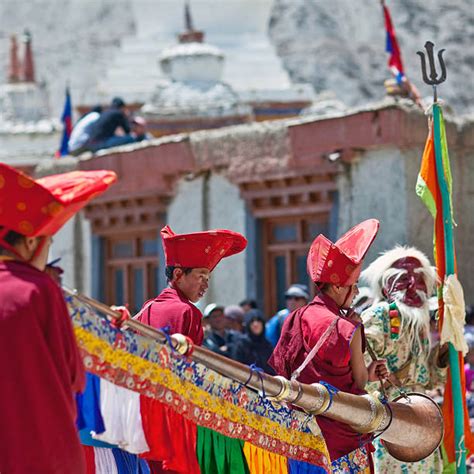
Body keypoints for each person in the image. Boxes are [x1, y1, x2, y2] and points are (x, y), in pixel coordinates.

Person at [0, 162, 117, 473]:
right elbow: (74, 376)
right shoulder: (38, 290)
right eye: (48, 242)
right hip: (37, 449)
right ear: (29, 242)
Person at [269, 219, 388, 471]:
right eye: (352, 286)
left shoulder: (295, 317)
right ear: (336, 286)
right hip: (339, 441)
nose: (356, 292)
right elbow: (358, 383)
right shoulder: (347, 328)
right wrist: (366, 368)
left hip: (300, 435)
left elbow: (284, 369)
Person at [136, 225, 246, 473]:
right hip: (173, 414)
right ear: (177, 275)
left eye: (208, 278)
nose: (205, 284)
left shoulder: (148, 307)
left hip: (143, 412)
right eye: (201, 276)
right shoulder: (186, 312)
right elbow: (188, 371)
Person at [360, 246, 448, 473]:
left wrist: (441, 360)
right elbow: (360, 373)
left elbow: (430, 380)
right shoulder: (377, 316)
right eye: (403, 279)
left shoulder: (421, 323)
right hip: (389, 416)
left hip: (423, 418)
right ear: (386, 285)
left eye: (418, 279)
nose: (412, 286)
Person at [232, 309, 275, 374]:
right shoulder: (241, 344)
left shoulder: (268, 345)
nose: (255, 324)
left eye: (258, 321)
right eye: (252, 321)